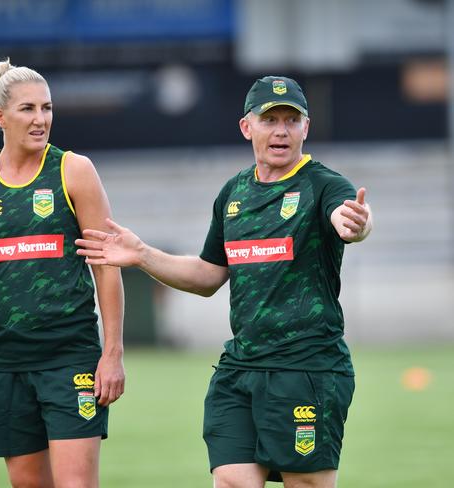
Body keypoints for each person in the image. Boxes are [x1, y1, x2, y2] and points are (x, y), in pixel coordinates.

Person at [76, 76, 372, 488]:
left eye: (292, 120)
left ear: (307, 127)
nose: (281, 130)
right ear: (247, 127)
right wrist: (143, 254)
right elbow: (209, 275)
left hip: (306, 367)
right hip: (242, 368)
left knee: (306, 483)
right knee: (231, 480)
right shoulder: (233, 193)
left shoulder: (323, 185)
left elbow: (348, 216)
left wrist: (355, 223)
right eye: (270, 120)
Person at [0, 59, 125, 488]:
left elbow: (106, 267)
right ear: (0, 116)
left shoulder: (74, 171)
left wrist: (112, 352)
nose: (41, 120)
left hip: (69, 355)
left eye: (47, 108)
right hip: (4, 361)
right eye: (28, 109)